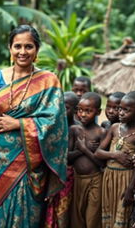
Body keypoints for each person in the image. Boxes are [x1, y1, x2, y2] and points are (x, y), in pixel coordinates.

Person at [0, 24, 68, 227]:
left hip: (29, 162)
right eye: (17, 46)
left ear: (36, 51)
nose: (22, 52)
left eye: (29, 47)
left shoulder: (48, 81)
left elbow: (56, 124)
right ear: (10, 49)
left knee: (27, 215)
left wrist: (19, 123)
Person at [95, 91, 135, 228]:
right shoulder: (114, 128)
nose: (121, 112)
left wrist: (131, 188)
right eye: (120, 108)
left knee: (122, 215)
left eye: (126, 110)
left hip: (126, 180)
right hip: (109, 177)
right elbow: (98, 152)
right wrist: (115, 155)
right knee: (109, 215)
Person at [69, 92, 106, 228]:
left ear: (98, 112)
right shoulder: (74, 130)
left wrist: (85, 150)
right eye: (80, 110)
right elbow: (67, 158)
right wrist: (80, 150)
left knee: (92, 217)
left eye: (88, 111)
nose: (83, 114)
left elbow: (101, 163)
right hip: (77, 179)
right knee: (77, 217)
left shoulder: (101, 132)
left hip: (95, 179)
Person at [44, 91, 79, 227]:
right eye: (60, 105)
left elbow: (67, 157)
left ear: (76, 110)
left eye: (67, 107)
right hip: (52, 173)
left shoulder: (76, 129)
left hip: (68, 176)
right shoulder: (52, 125)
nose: (62, 110)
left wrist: (78, 152)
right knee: (50, 208)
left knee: (65, 210)